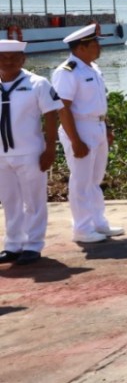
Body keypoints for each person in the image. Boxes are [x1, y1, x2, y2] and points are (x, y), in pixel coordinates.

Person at [52, 24, 123, 244]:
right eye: (95, 43)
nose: (99, 47)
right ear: (81, 47)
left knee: (95, 178)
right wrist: (75, 140)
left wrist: (107, 127)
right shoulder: (67, 71)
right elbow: (63, 108)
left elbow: (98, 102)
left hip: (97, 126)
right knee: (81, 180)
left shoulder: (92, 68)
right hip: (80, 127)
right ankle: (82, 228)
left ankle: (98, 222)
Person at [0, 39, 62, 265]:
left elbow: (51, 115)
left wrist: (50, 148)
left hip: (30, 152)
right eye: (3, 58)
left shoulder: (38, 83)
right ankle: (13, 245)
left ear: (23, 59)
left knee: (34, 200)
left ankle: (33, 245)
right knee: (9, 201)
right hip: (1, 154)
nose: (8, 62)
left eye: (14, 57)